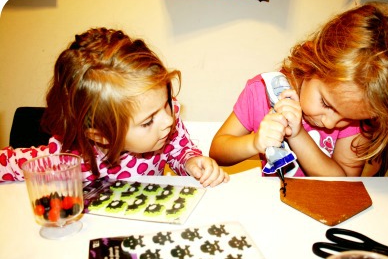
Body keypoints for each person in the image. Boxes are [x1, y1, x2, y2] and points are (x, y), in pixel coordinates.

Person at [209, 2, 388, 177]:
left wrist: (298, 135)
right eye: (326, 104)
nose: (330, 123)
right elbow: (217, 151)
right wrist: (254, 142)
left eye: (347, 118)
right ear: (312, 63)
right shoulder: (261, 91)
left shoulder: (359, 117)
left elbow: (342, 182)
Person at [0, 27, 229, 187]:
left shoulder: (164, 125)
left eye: (167, 103)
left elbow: (178, 151)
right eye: (148, 121)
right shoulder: (68, 158)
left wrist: (190, 161)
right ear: (101, 136)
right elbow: (13, 163)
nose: (168, 121)